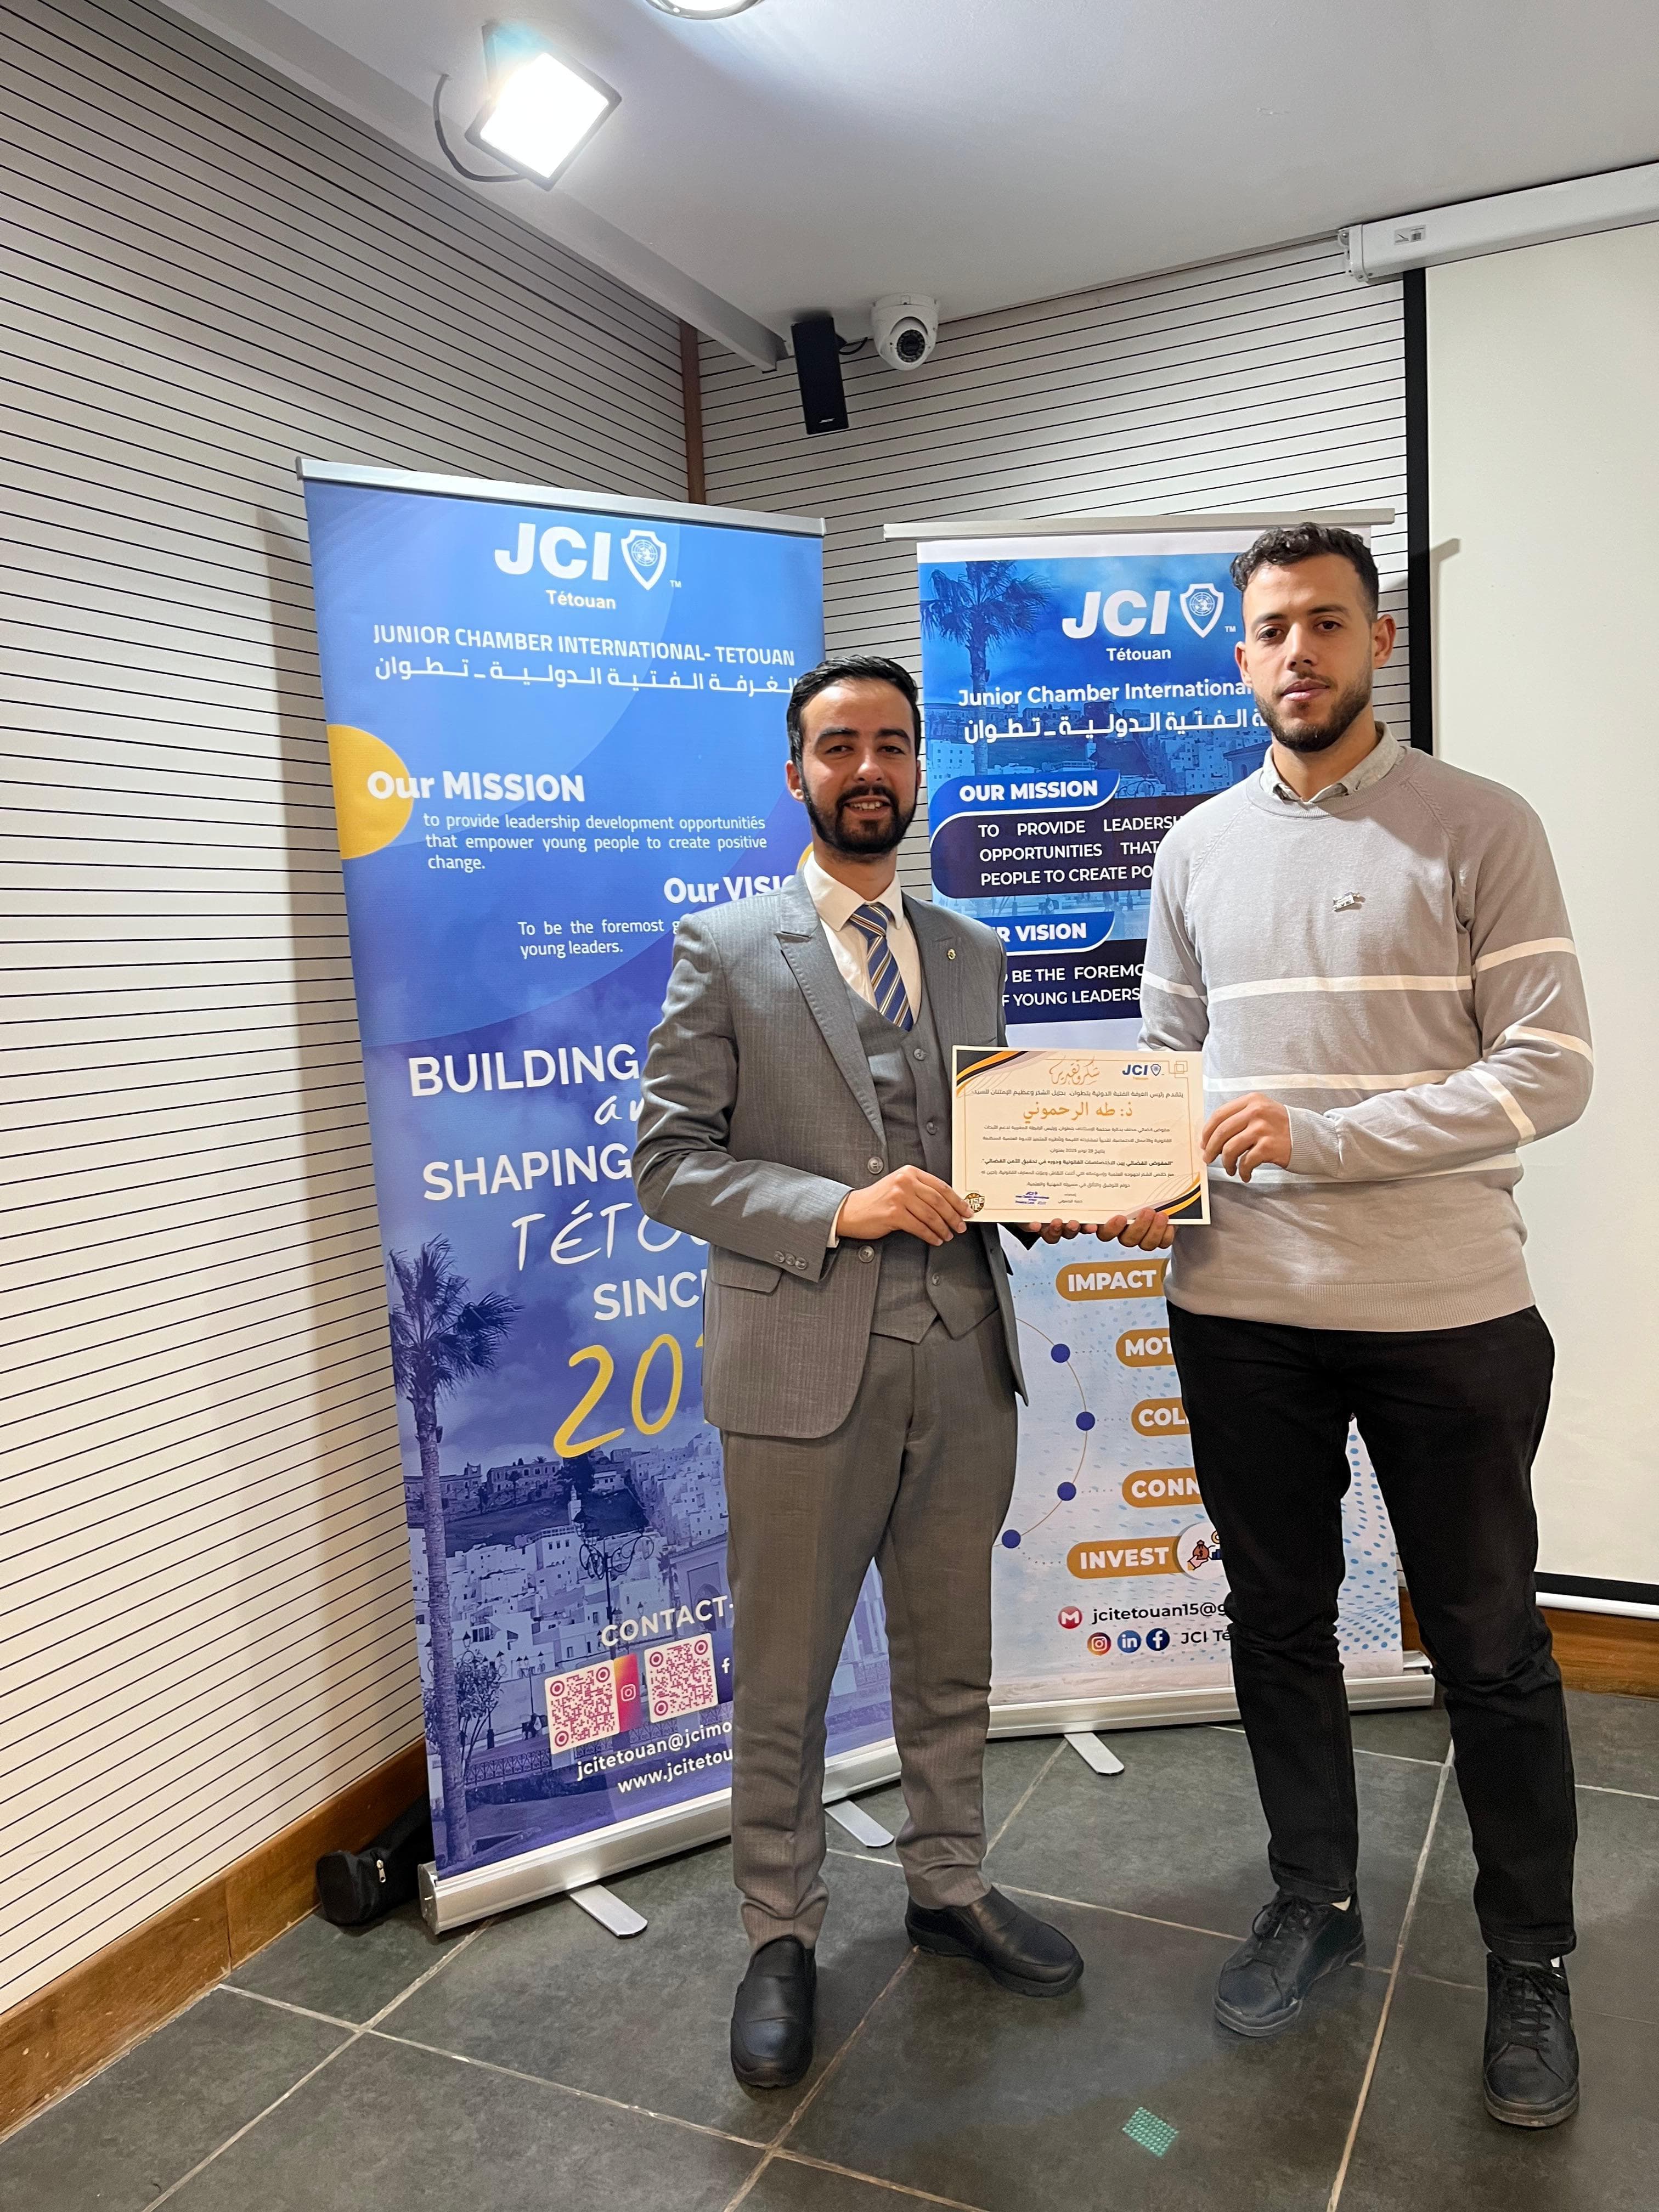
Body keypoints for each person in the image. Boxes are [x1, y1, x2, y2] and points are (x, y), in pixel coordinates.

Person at [1102, 523, 1591, 2129]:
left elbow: (1550, 1068)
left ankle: (1530, 1960)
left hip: (1448, 1309)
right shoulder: (1195, 848)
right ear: (1240, 655)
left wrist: (1321, 1139)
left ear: (1380, 640)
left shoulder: (1480, 824)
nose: (1296, 653)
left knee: (1489, 1645)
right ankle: (1311, 1895)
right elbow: (1168, 1066)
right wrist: (1138, 1178)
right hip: (1242, 1310)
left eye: (1325, 623)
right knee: (1278, 1619)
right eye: (1270, 630)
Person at [635, 653, 1085, 2092]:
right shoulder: (725, 947)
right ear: (798, 774)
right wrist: (841, 1208)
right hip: (799, 1369)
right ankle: (780, 1931)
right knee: (785, 1671)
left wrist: (1052, 1197)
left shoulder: (967, 948)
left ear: (918, 766)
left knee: (951, 1650)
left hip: (963, 1357)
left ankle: (948, 1884)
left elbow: (987, 1156)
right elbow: (667, 1163)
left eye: (892, 744)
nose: (868, 768)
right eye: (840, 747)